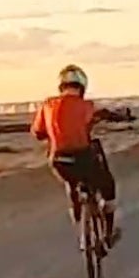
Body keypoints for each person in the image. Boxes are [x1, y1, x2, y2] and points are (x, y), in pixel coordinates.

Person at [31, 65, 119, 247]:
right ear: (82, 86)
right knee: (107, 184)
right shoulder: (87, 106)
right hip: (84, 158)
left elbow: (38, 132)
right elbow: (97, 117)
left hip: (58, 160)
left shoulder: (47, 105)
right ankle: (108, 233)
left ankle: (77, 213)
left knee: (71, 181)